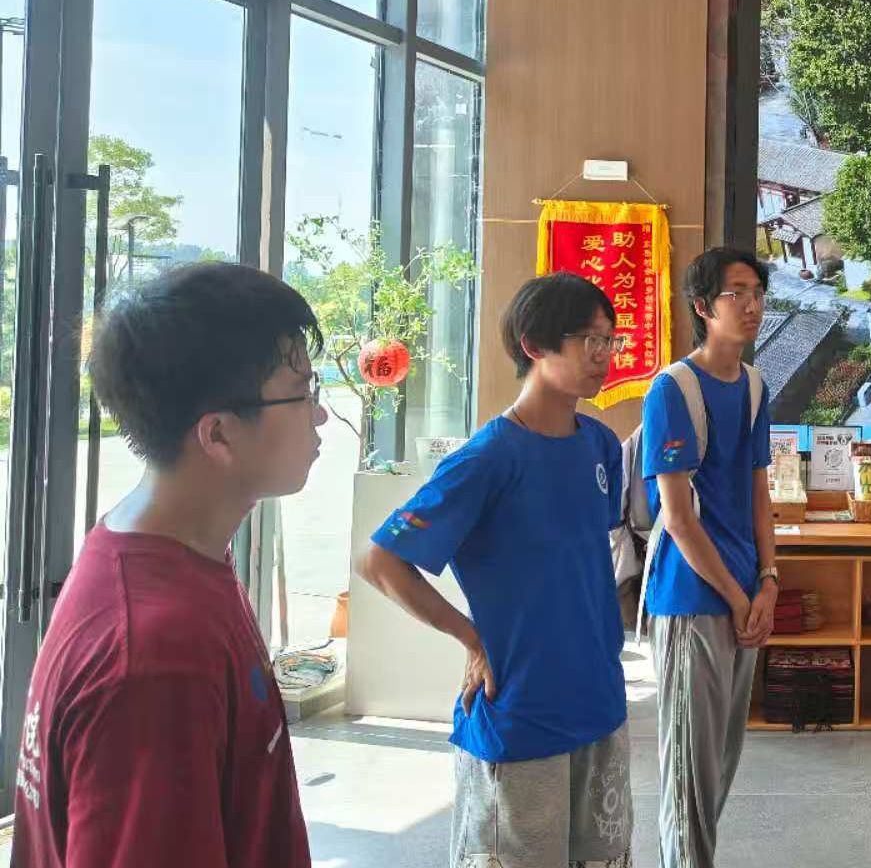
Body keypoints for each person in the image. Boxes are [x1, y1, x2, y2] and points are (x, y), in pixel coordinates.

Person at [12, 263, 324, 867]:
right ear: (219, 435)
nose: (320, 415)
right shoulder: (157, 659)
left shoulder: (163, 552)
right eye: (303, 392)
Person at [357, 271, 633, 868]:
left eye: (609, 340)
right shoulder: (489, 458)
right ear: (534, 345)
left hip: (600, 700)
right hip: (521, 712)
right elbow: (381, 560)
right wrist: (471, 638)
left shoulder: (601, 446)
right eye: (589, 340)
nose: (603, 355)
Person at [642, 247, 776, 868]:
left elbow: (758, 492)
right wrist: (739, 595)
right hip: (692, 597)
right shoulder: (673, 389)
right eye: (736, 293)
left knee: (720, 762)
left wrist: (768, 581)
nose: (752, 306)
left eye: (758, 293)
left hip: (744, 595)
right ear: (702, 307)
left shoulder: (754, 385)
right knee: (688, 775)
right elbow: (677, 516)